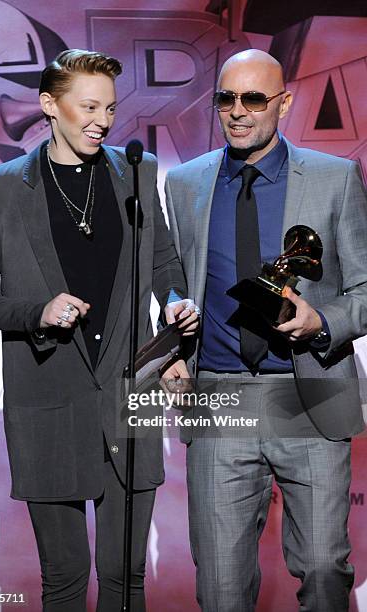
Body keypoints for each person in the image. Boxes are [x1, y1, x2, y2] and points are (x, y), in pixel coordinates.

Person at [0, 49, 198, 611]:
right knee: (64, 582)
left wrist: (173, 303)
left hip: (128, 400)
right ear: (49, 105)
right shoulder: (2, 187)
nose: (103, 120)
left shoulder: (136, 171)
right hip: (48, 408)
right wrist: (35, 313)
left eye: (110, 108)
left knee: (125, 581)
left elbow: (164, 263)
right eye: (88, 106)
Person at [164, 49, 367, 611]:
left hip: (309, 394)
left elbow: (366, 289)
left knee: (326, 571)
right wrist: (173, 331)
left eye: (253, 98)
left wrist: (322, 321)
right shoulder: (184, 184)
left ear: (285, 102)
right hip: (220, 396)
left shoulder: (334, 178)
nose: (237, 112)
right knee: (222, 588)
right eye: (226, 99)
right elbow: (175, 281)